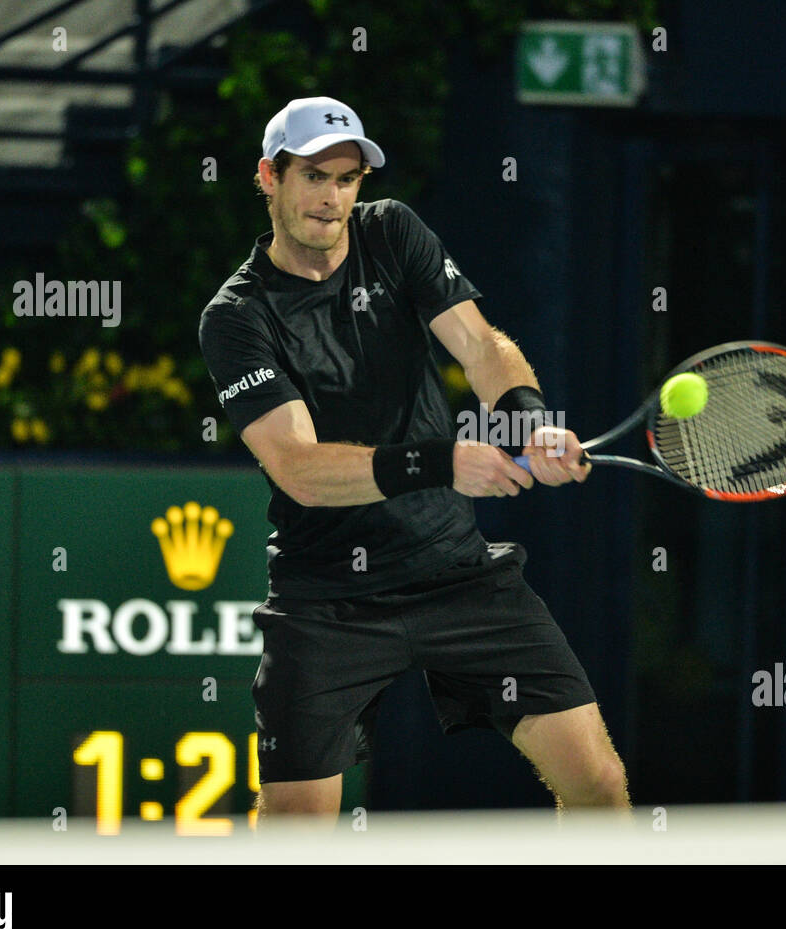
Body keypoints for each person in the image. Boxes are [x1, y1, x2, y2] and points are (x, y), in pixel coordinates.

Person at [199, 96, 629, 819]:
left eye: (346, 178)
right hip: (328, 597)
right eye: (313, 176)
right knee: (296, 826)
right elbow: (298, 468)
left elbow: (481, 345)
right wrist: (439, 462)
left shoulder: (393, 232)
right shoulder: (237, 317)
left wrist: (526, 421)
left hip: (454, 570)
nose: (332, 198)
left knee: (598, 783)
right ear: (268, 178)